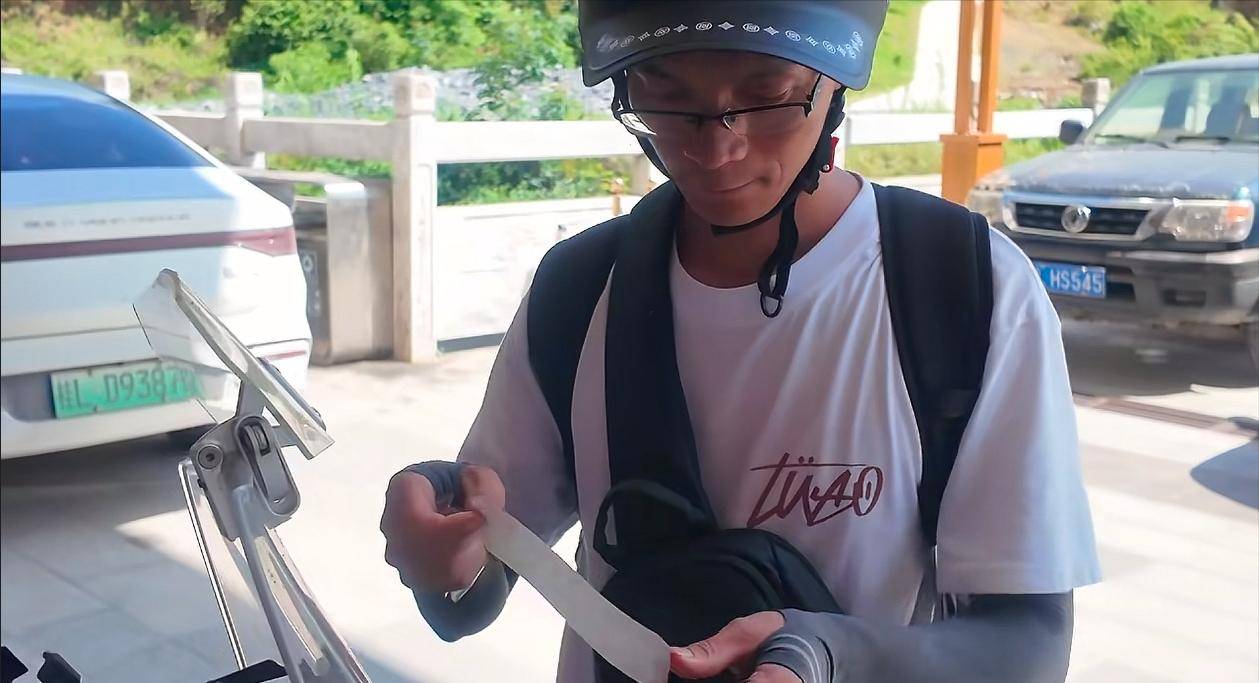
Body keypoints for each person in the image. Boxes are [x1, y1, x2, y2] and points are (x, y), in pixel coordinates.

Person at [381, 2, 1101, 681]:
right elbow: (467, 601)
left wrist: (829, 654)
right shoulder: (581, 288)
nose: (717, 148)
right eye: (664, 92)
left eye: (768, 94)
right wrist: (440, 545)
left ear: (835, 83)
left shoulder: (960, 286)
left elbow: (1027, 643)